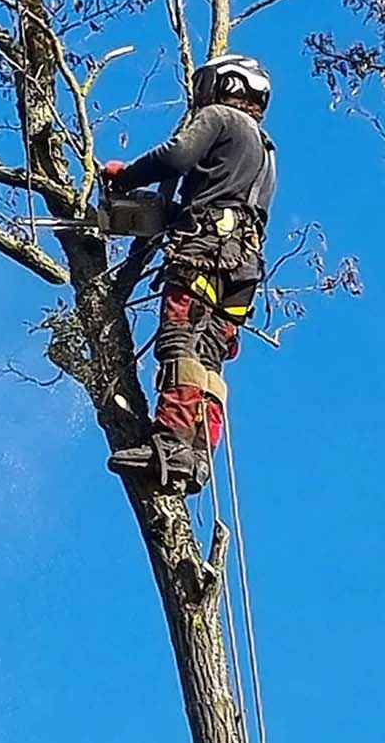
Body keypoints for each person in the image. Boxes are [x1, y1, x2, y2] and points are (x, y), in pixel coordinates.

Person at [101, 53, 277, 494]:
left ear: (226, 85)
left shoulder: (219, 117)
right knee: (209, 360)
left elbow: (176, 156)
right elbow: (224, 201)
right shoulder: (265, 153)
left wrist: (126, 179)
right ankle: (197, 454)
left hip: (205, 252)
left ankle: (171, 441)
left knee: (180, 340)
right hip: (242, 269)